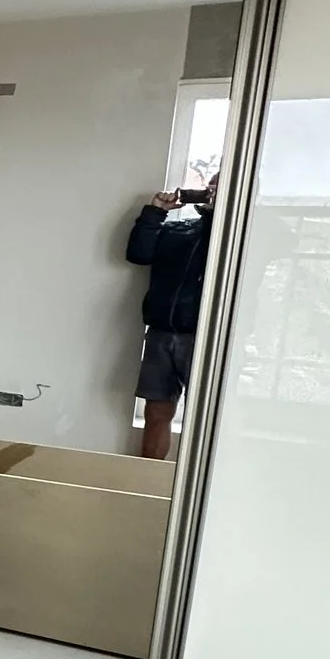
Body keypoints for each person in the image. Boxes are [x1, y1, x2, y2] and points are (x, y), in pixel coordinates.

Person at [125, 174, 216, 460]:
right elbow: (139, 254)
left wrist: (221, 214)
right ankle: (147, 476)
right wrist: (156, 212)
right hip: (162, 332)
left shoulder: (245, 234)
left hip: (211, 338)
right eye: (212, 185)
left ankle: (202, 483)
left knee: (207, 418)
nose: (212, 190)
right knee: (156, 411)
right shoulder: (179, 229)